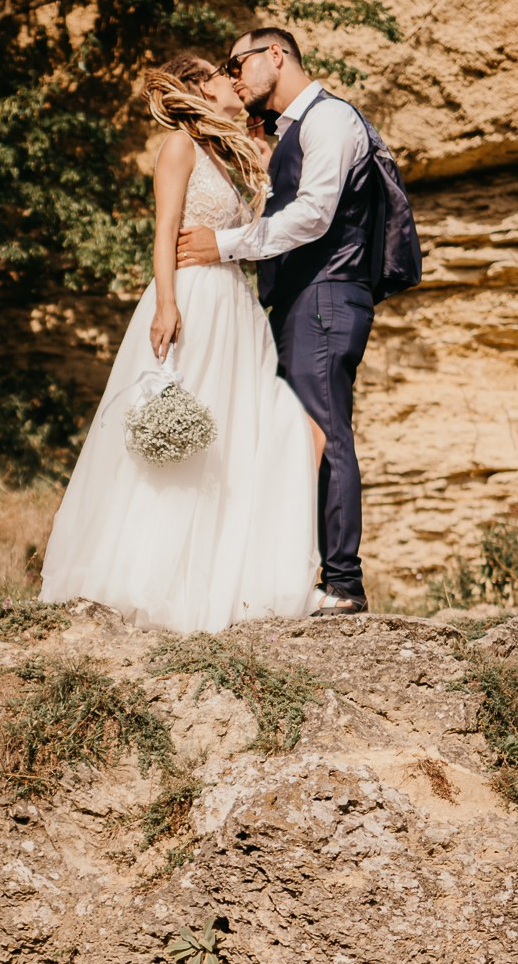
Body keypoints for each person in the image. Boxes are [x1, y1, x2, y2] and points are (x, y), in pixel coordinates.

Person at [39, 54, 323, 634]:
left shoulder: (226, 150)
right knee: (180, 430)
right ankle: (151, 578)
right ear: (198, 87)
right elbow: (164, 232)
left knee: (237, 434)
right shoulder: (178, 146)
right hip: (192, 300)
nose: (230, 78)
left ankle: (227, 580)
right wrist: (167, 304)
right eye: (220, 72)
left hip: (235, 305)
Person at [177, 27, 404, 615]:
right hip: (304, 299)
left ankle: (344, 584)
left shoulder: (330, 120)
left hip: (327, 295)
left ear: (274, 56)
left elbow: (312, 215)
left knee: (323, 431)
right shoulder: (292, 132)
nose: (232, 78)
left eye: (238, 63)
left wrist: (222, 246)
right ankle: (303, 574)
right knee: (294, 435)